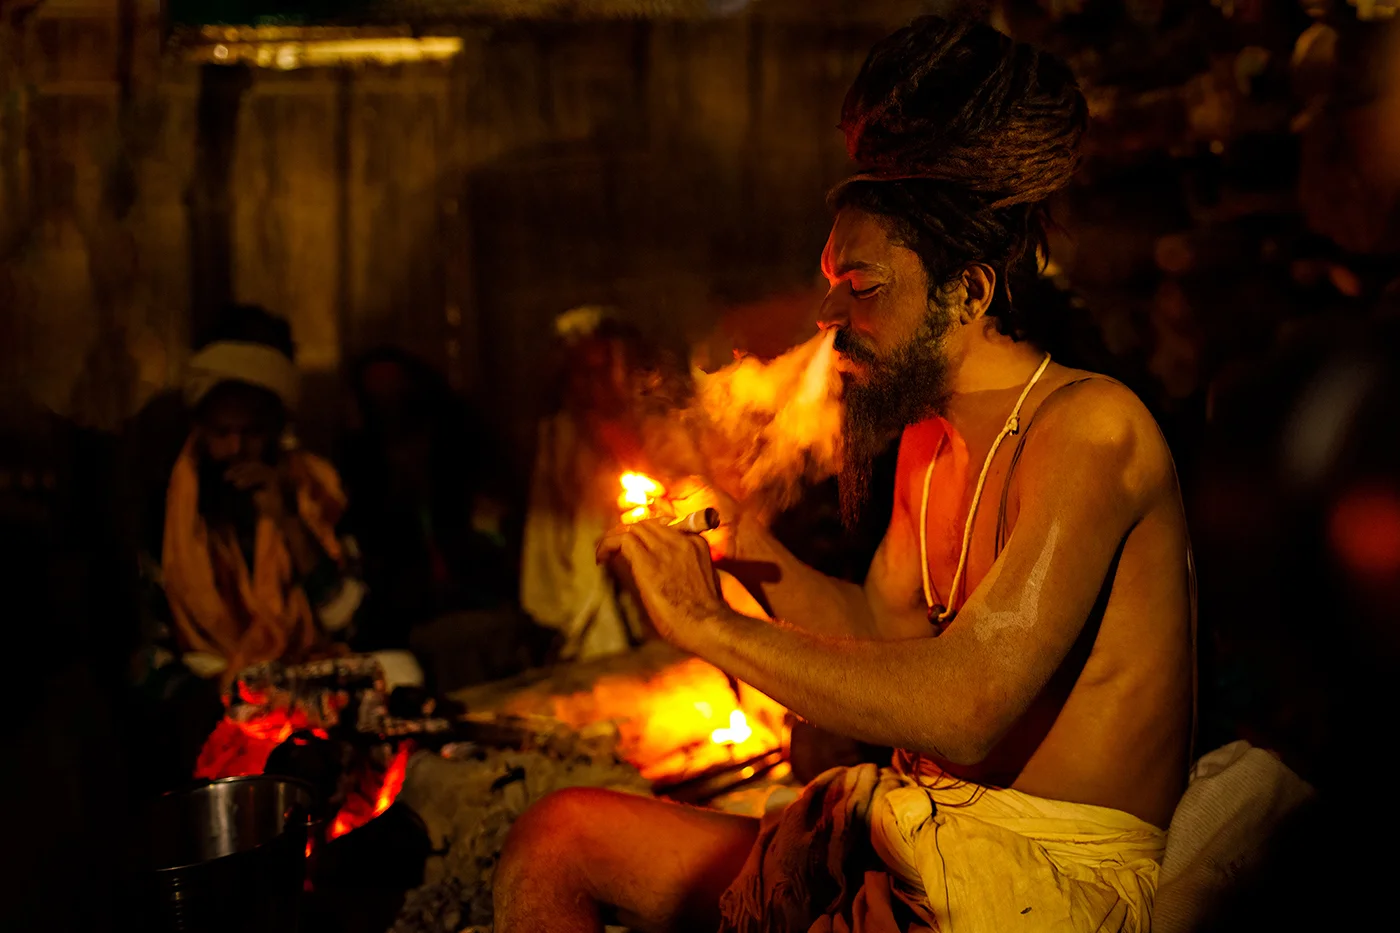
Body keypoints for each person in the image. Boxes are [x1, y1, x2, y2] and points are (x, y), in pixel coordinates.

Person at [494, 17, 1194, 933]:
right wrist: (741, 546)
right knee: (559, 835)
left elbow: (963, 709)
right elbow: (879, 630)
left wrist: (702, 621)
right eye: (830, 280)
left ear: (971, 291)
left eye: (860, 286)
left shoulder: (1093, 430)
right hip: (925, 833)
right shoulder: (930, 444)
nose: (829, 312)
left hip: (1043, 877)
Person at [160, 305, 365, 683]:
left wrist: (288, 521)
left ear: (275, 429)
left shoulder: (318, 488)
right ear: (200, 431)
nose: (237, 449)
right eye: (222, 433)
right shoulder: (164, 502)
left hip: (304, 674)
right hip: (208, 680)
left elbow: (347, 622)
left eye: (252, 433)